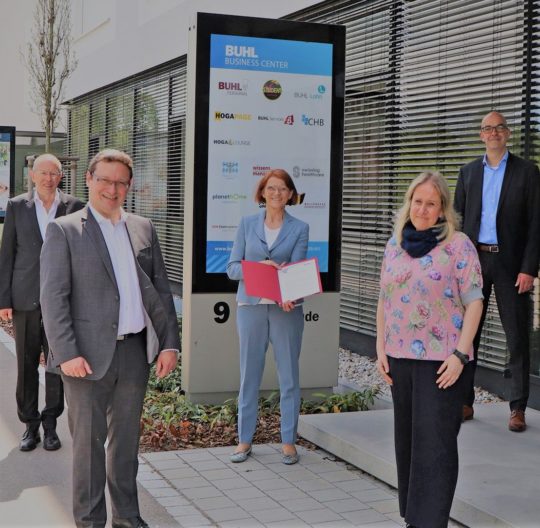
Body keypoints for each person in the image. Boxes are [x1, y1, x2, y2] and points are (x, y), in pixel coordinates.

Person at [40, 149, 180, 528]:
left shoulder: (142, 227)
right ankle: (89, 523)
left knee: (126, 447)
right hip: (84, 358)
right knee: (87, 449)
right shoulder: (65, 229)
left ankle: (128, 519)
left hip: (134, 353)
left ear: (128, 186)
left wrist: (169, 343)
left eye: (120, 182)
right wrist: (66, 352)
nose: (112, 188)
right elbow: (53, 298)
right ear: (88, 180)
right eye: (104, 179)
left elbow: (162, 291)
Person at [376, 171, 483, 528]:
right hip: (399, 359)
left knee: (435, 445)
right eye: (417, 201)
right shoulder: (395, 243)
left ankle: (430, 522)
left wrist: (460, 355)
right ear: (409, 203)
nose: (422, 209)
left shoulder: (458, 245)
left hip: (442, 363)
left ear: (442, 210)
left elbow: (475, 304)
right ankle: (413, 518)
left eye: (431, 203)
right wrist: (380, 345)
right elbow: (384, 298)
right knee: (407, 442)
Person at [454, 111, 540, 432]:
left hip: (511, 265)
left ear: (507, 134)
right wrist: (459, 267)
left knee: (516, 336)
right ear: (481, 135)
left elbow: (535, 225)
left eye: (499, 128)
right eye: (487, 129)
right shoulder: (467, 173)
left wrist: (529, 268)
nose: (493, 133)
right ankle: (464, 401)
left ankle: (517, 408)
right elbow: (458, 223)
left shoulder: (528, 172)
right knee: (468, 334)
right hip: (475, 263)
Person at [0, 153, 83, 451]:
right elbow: (7, 256)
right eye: (43, 173)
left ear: (61, 176)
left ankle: (51, 425)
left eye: (54, 173)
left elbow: (82, 258)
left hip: (62, 302)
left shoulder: (75, 207)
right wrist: (4, 299)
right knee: (25, 364)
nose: (49, 178)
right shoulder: (17, 206)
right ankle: (29, 425)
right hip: (25, 299)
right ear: (32, 175)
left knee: (56, 365)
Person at [227, 169, 309, 465]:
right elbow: (232, 268)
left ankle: (288, 441)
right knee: (249, 375)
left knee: (289, 376)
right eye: (271, 188)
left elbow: (298, 270)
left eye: (283, 189)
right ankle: (244, 440)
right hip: (251, 308)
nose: (276, 193)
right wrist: (259, 267)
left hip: (285, 310)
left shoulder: (300, 228)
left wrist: (292, 294)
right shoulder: (247, 224)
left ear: (290, 194)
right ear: (262, 192)